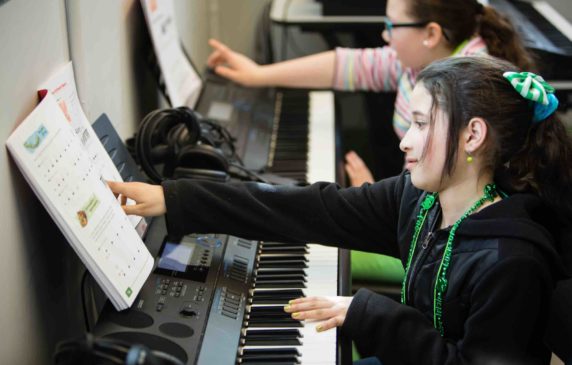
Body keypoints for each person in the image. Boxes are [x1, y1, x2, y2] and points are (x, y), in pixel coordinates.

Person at [109, 56, 572, 364]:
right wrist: (177, 198)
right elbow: (314, 208)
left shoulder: (511, 263)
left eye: (422, 124)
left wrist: (371, 315)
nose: (404, 140)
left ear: (472, 136)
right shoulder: (421, 200)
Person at [206, 0, 535, 187]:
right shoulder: (427, 58)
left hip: (441, 237)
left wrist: (371, 190)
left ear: (431, 34)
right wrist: (258, 75)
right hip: (417, 200)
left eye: (392, 26)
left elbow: (434, 204)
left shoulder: (461, 92)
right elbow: (350, 65)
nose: (384, 35)